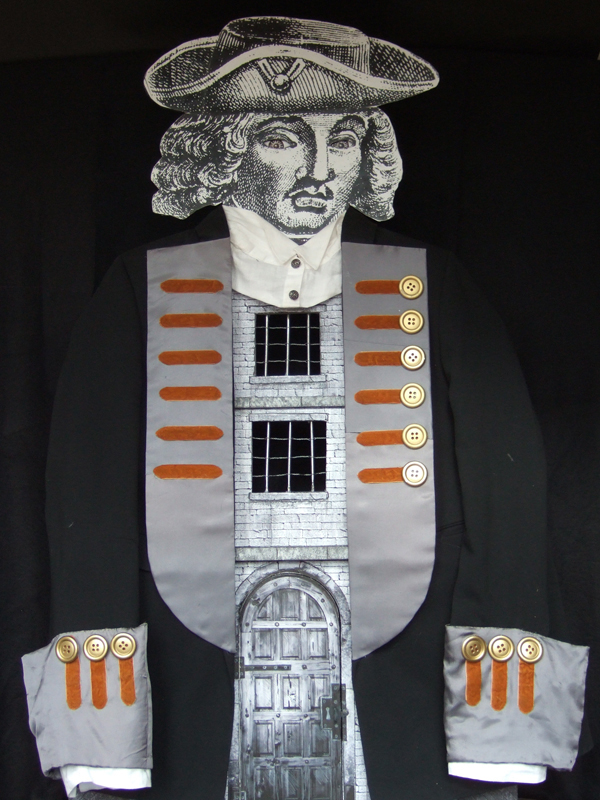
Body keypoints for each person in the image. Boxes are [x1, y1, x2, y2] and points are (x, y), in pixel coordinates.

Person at [22, 16, 588, 800]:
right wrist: (104, 738)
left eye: (344, 137)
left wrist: (498, 728)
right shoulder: (139, 288)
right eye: (285, 137)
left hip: (406, 670)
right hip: (192, 667)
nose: (322, 167)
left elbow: (505, 488)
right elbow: (89, 500)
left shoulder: (435, 283)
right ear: (223, 149)